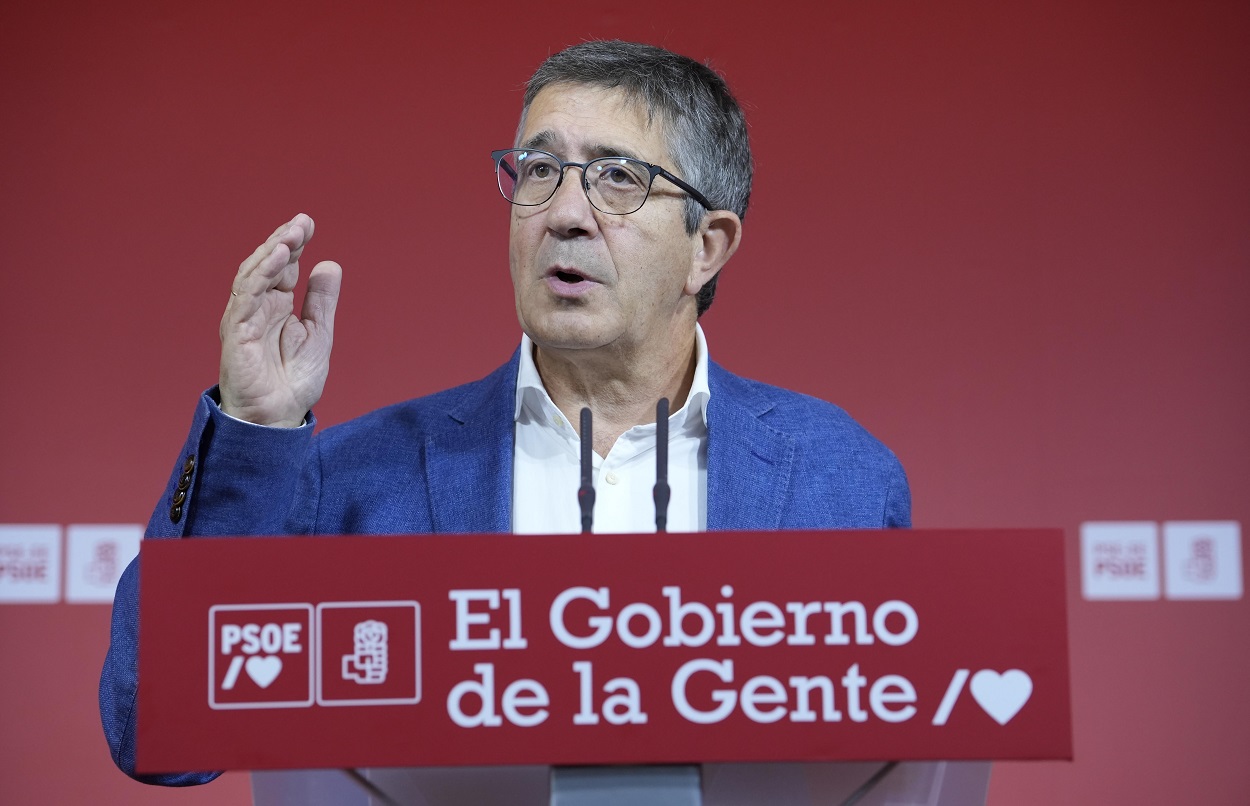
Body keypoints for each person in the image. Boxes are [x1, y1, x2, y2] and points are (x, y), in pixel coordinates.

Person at [101, 40, 910, 785]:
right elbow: (158, 734)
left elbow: (883, 767)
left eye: (617, 178)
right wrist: (255, 430)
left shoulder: (837, 477)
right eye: (538, 170)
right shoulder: (356, 478)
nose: (563, 212)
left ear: (708, 246)